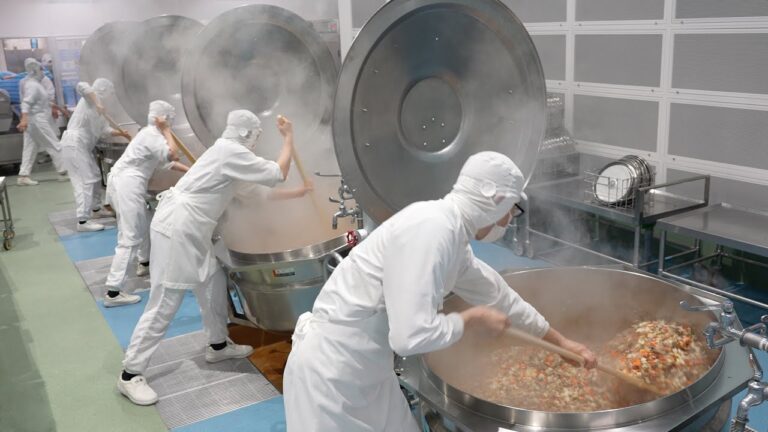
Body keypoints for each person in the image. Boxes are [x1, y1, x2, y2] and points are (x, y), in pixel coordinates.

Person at [283, 151, 599, 432]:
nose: (508, 219)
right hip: (331, 376)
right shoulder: (430, 229)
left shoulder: (452, 237)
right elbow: (409, 338)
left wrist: (560, 344)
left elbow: (500, 297)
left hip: (368, 371)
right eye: (511, 209)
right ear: (495, 200)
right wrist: (469, 321)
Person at [117, 110, 295, 406]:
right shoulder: (231, 152)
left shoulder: (228, 155)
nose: (256, 141)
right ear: (246, 133)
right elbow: (278, 174)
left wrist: (301, 193)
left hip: (194, 230)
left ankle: (218, 344)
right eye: (256, 135)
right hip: (178, 228)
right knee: (165, 301)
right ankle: (130, 373)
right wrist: (289, 138)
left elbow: (256, 195)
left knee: (213, 280)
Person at [103, 100, 190, 307]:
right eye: (170, 120)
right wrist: (167, 130)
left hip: (126, 183)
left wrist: (193, 171)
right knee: (130, 236)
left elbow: (168, 163)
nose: (172, 122)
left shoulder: (150, 135)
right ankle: (113, 292)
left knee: (141, 227)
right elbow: (173, 154)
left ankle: (144, 263)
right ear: (164, 119)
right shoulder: (153, 135)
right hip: (127, 184)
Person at [61, 78, 130, 232]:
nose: (110, 97)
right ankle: (83, 221)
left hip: (82, 148)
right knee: (85, 181)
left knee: (95, 175)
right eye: (109, 94)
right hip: (74, 144)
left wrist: (121, 133)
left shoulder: (101, 110)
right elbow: (82, 86)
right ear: (102, 91)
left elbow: (104, 131)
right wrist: (97, 102)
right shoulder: (89, 100)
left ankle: (96, 210)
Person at [15, 58, 66, 185]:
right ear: (35, 70)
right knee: (54, 143)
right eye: (41, 69)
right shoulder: (32, 85)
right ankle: (64, 171)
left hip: (34, 120)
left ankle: (23, 176)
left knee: (30, 147)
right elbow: (26, 102)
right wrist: (24, 119)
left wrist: (60, 109)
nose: (43, 71)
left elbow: (44, 101)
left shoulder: (33, 84)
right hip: (37, 120)